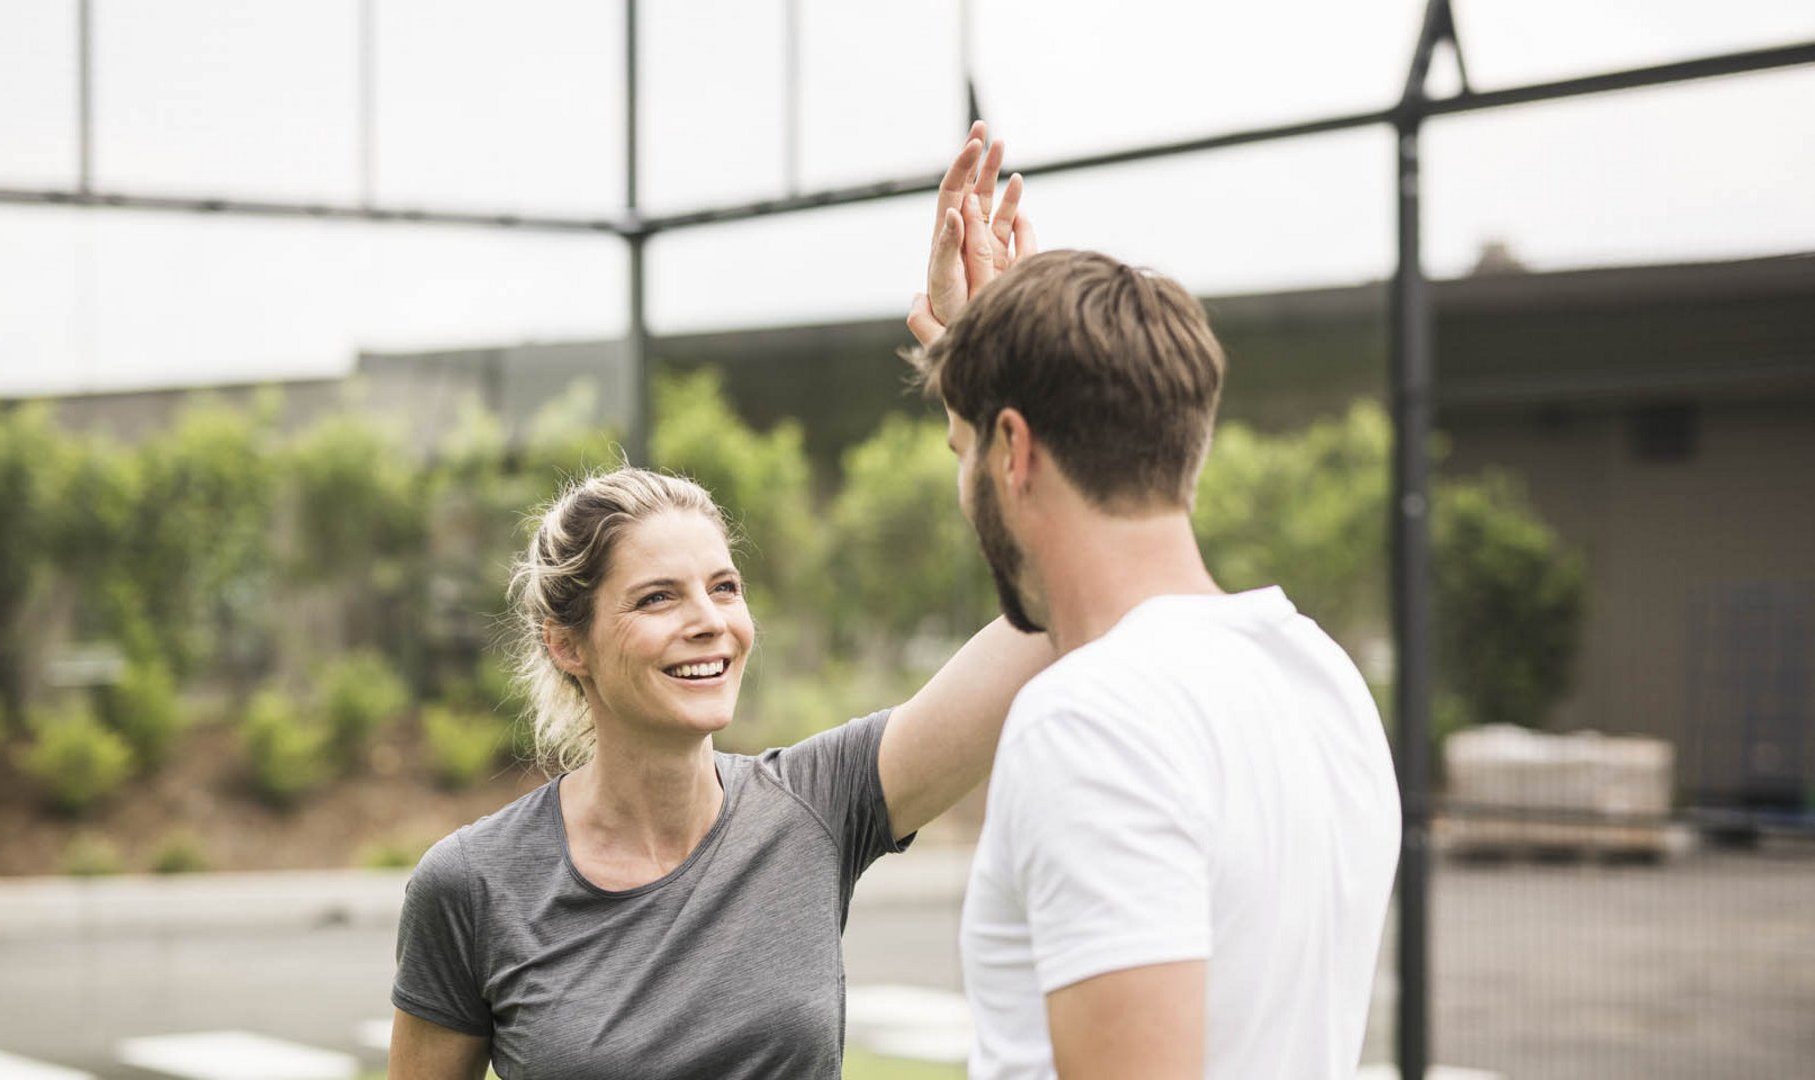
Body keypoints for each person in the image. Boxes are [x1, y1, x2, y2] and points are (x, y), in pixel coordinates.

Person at [389, 129, 1048, 1080]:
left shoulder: (819, 807)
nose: (710, 619)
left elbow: (1042, 625)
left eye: (724, 586)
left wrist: (992, 380)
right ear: (566, 643)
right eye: (658, 597)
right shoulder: (472, 887)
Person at [905, 192, 1403, 1074]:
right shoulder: (1320, 677)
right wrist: (1003, 340)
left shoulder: (1087, 719)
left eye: (963, 451)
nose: (963, 480)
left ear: (1012, 452)